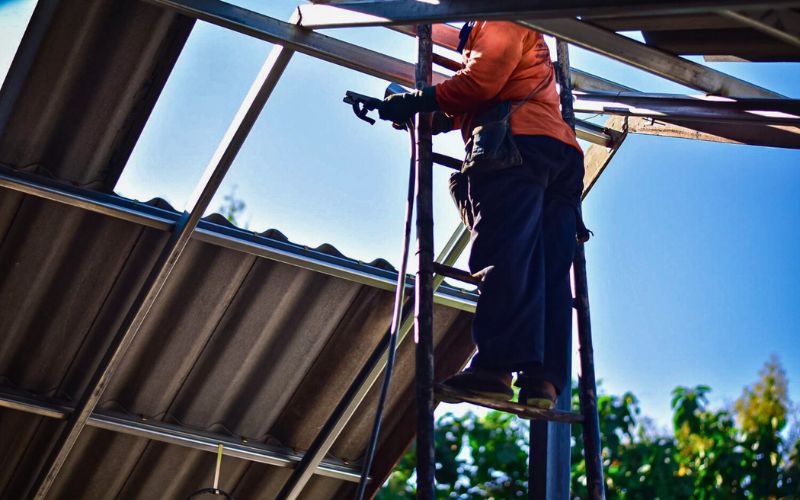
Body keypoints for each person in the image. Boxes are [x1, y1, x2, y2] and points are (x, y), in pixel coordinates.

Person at [377, 22, 586, 409]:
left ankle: (495, 370)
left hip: (518, 147)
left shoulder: (499, 16)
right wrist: (437, 114)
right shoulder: (521, 29)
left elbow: (480, 85)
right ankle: (544, 381)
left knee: (503, 254)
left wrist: (419, 100)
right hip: (557, 155)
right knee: (548, 271)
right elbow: (491, 91)